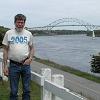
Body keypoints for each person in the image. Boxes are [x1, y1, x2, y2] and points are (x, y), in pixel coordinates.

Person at [2, 14, 34, 100]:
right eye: (18, 22)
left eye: (22, 22)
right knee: (13, 90)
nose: (20, 24)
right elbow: (5, 50)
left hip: (25, 65)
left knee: (27, 90)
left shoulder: (29, 34)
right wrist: (4, 66)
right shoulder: (8, 33)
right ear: (15, 22)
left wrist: (30, 58)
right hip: (13, 65)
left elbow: (32, 48)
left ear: (24, 23)